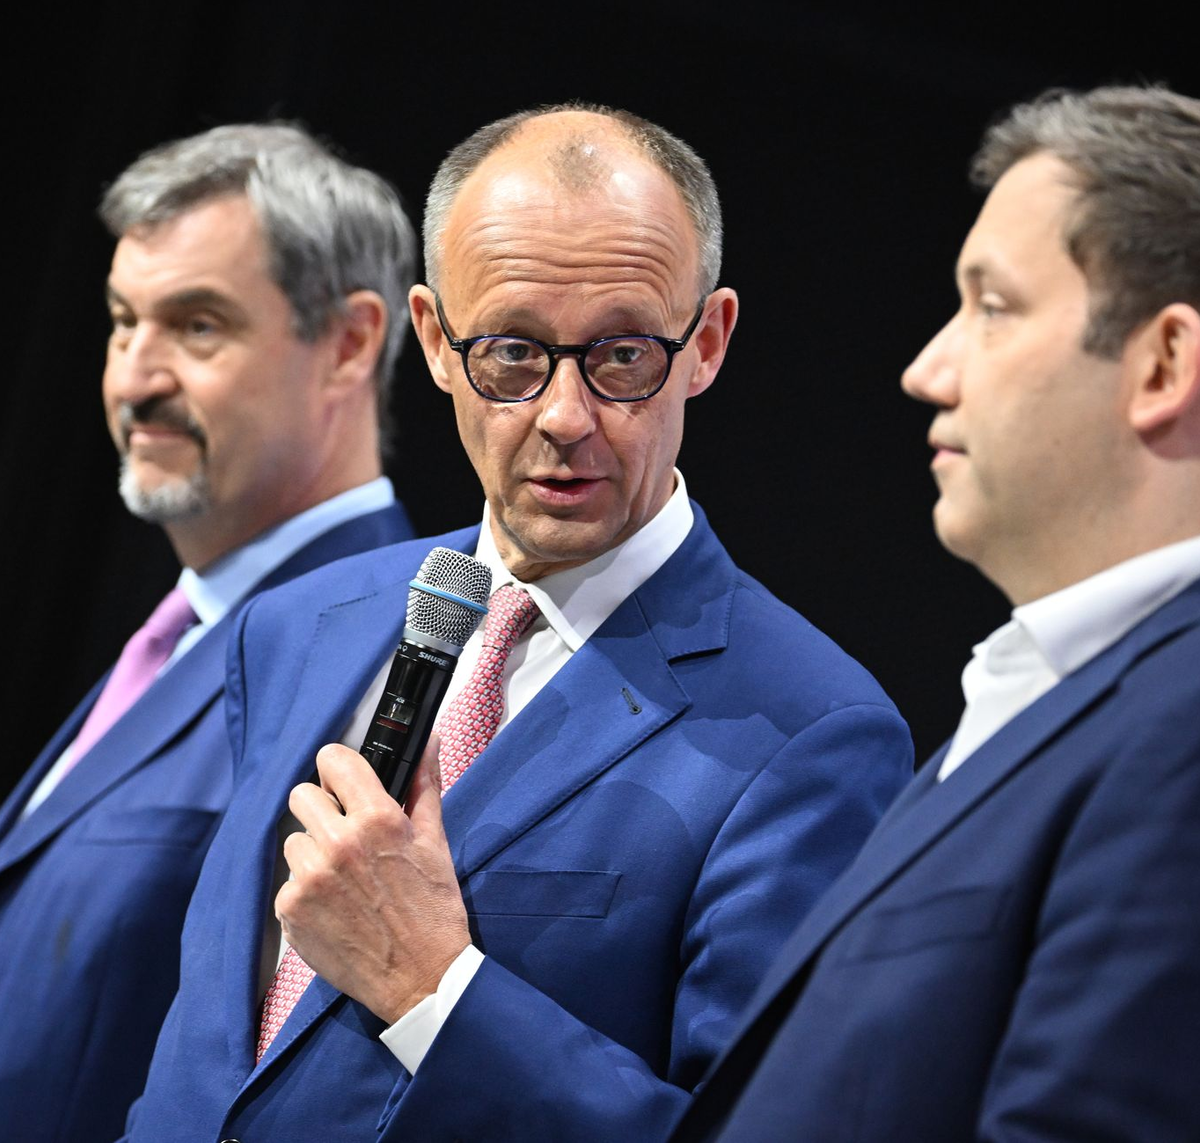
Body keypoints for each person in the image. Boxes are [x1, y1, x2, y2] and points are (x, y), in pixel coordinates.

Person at [125, 103, 913, 1141]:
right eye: (510, 353)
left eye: (625, 355)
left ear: (708, 342)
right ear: (434, 340)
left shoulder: (813, 731)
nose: (565, 415)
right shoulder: (295, 626)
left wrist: (435, 988)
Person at [671, 85, 1200, 1143]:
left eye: (992, 305)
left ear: (1162, 364)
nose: (926, 370)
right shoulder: (1057, 693)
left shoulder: (1181, 734)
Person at [0, 123, 419, 1142]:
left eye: (195, 327)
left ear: (351, 342)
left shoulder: (393, 657)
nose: (132, 380)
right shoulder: (183, 628)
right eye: (119, 323)